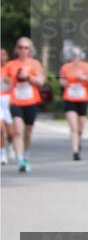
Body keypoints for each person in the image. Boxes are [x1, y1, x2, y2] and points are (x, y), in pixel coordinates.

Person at [3, 37, 46, 173]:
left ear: (30, 50)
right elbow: (6, 83)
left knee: (28, 132)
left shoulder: (35, 64)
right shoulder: (10, 65)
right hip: (15, 101)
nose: (23, 50)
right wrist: (12, 79)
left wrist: (28, 77)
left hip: (31, 102)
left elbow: (41, 81)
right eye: (20, 47)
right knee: (18, 131)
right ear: (16, 49)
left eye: (26, 47)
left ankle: (25, 156)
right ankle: (20, 159)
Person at [59, 47, 88, 161]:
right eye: (73, 55)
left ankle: (78, 141)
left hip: (82, 100)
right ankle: (75, 151)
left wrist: (84, 78)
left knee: (80, 128)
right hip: (69, 99)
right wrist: (64, 82)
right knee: (73, 127)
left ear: (81, 56)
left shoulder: (86, 67)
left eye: (77, 55)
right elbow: (61, 81)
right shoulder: (65, 68)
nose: (75, 58)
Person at [0, 49, 13, 165]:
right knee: (1, 128)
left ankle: (10, 145)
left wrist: (9, 81)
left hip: (9, 101)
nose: (0, 56)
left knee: (11, 132)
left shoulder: (10, 68)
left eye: (3, 54)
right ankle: (2, 152)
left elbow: (16, 84)